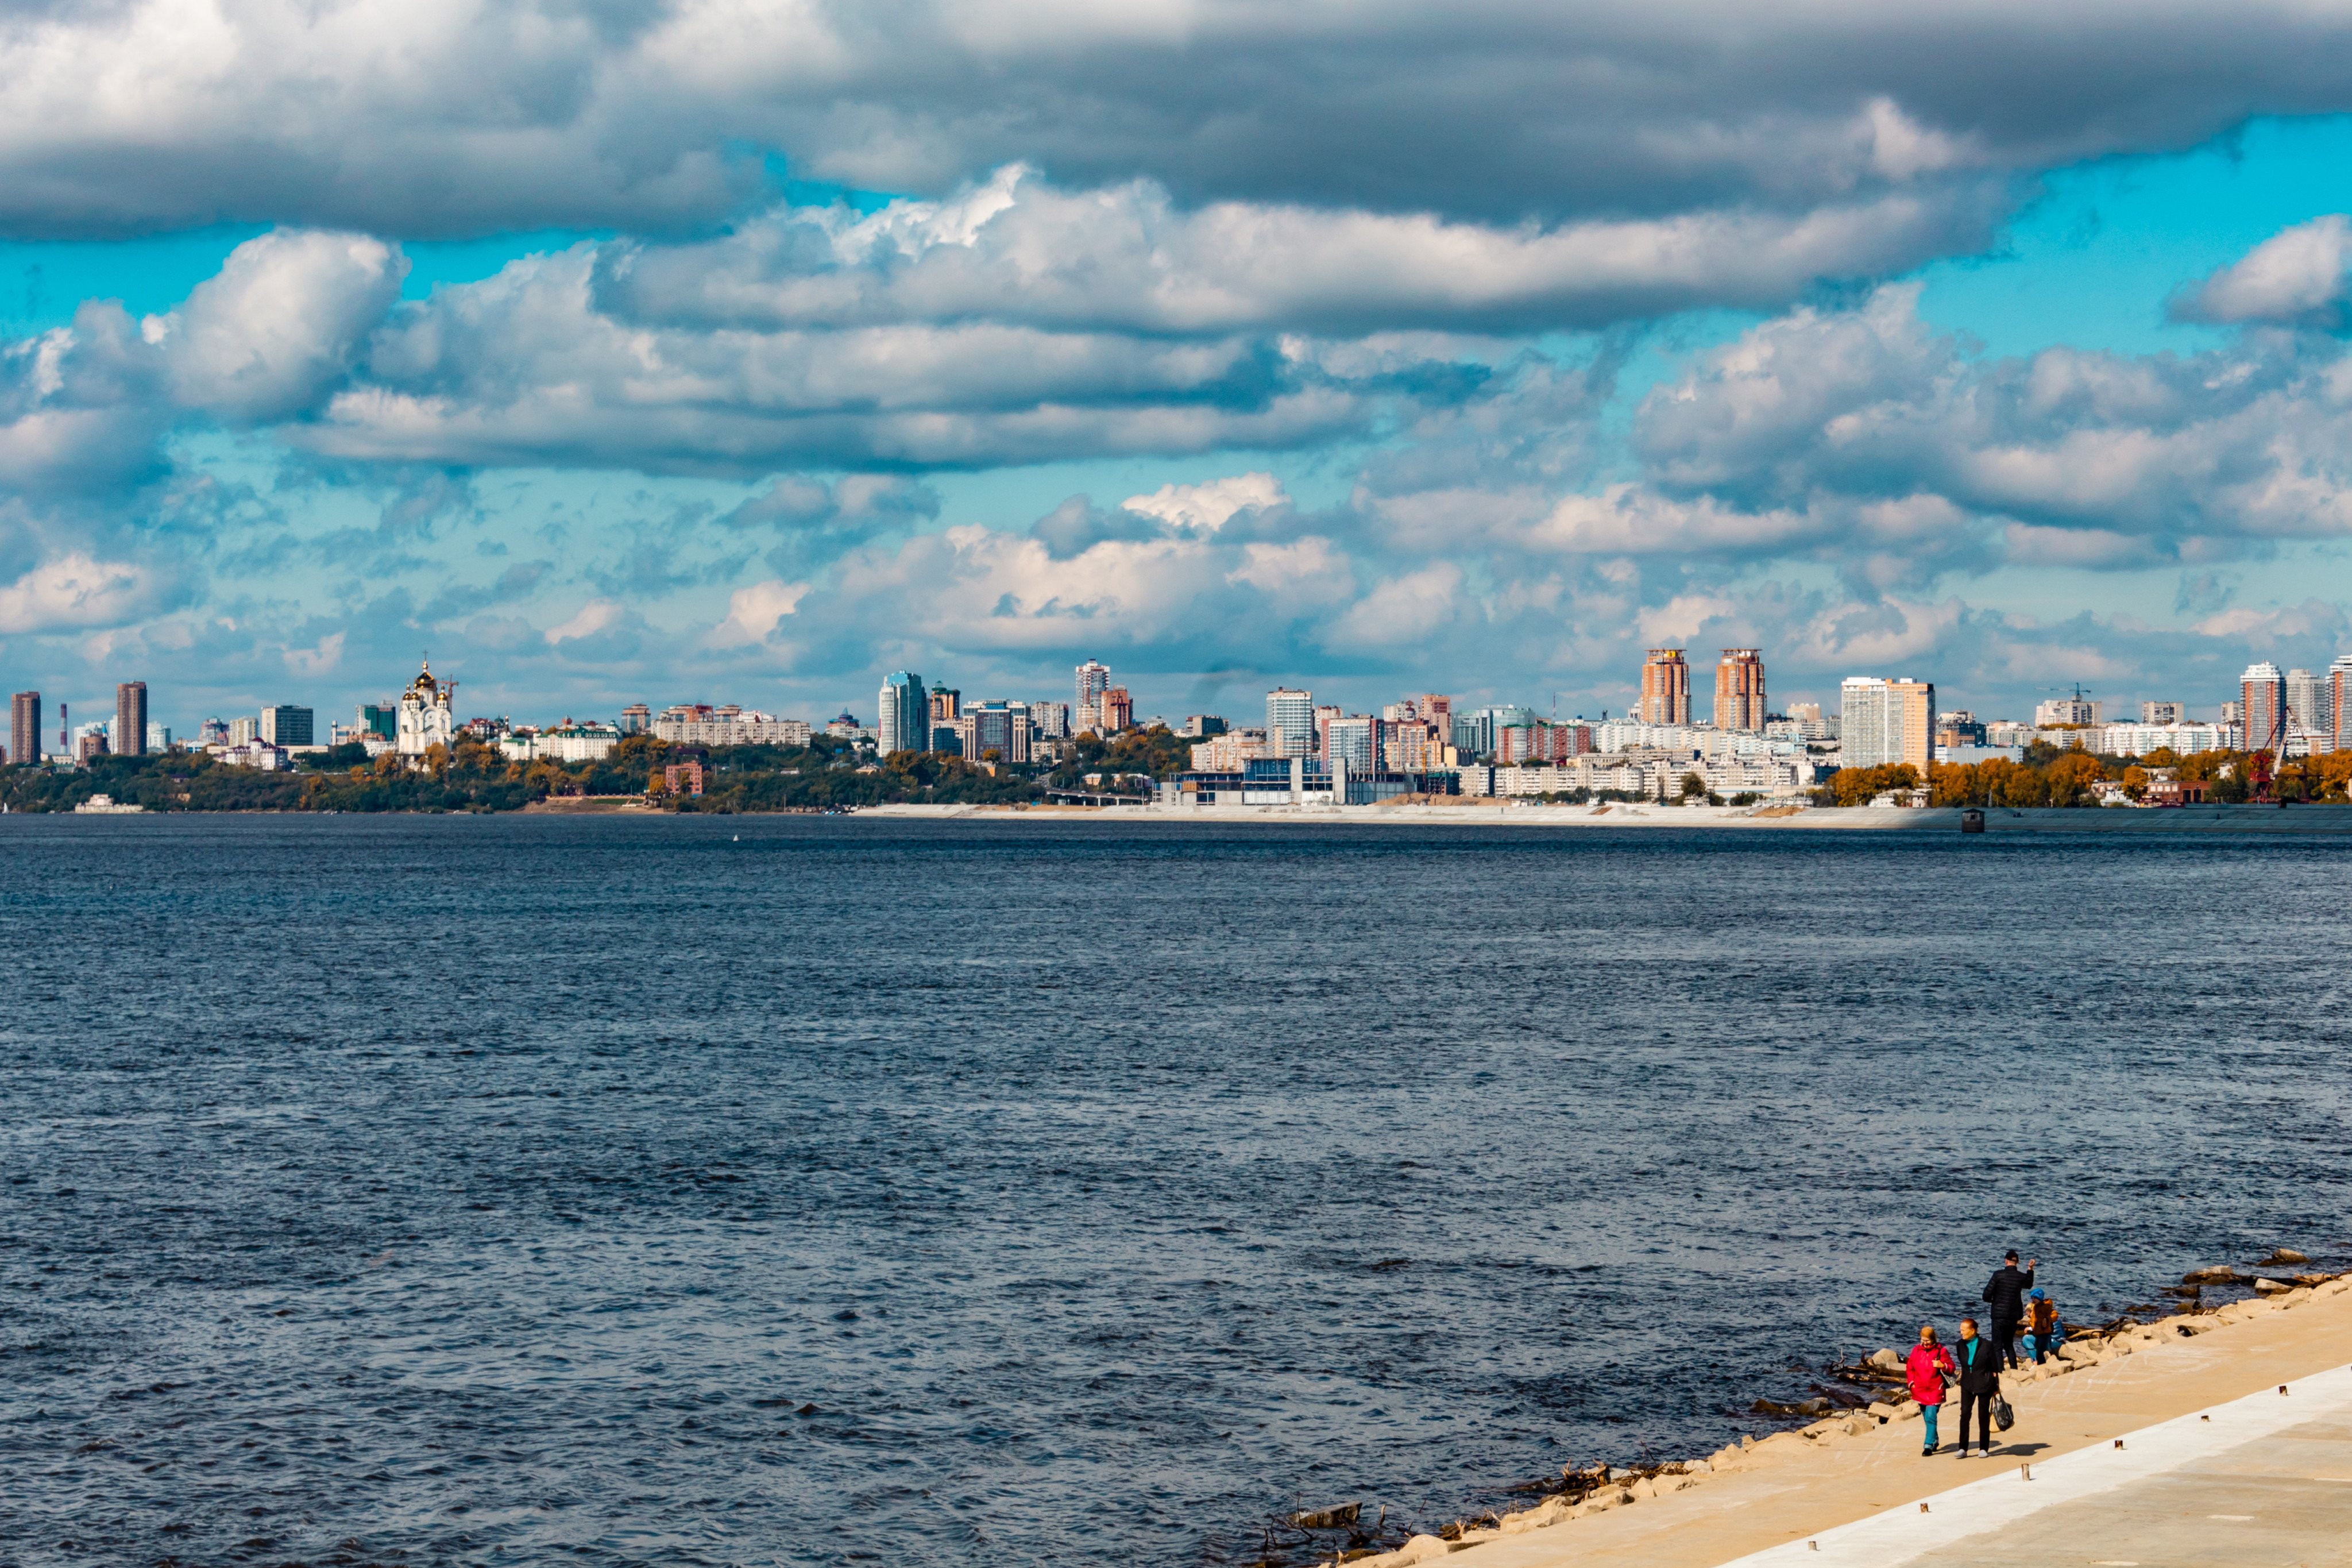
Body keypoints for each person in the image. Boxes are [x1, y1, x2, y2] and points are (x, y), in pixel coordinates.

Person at [1905, 1324, 1957, 1457]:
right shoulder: (1916, 1350)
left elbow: (1952, 1367)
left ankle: (1928, 1446)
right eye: (1922, 1340)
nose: (1925, 1343)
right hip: (1919, 1390)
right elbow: (1910, 1368)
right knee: (1926, 1416)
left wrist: (1942, 1365)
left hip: (1935, 1390)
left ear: (1933, 1339)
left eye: (1927, 1340)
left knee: (1931, 1416)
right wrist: (1911, 1384)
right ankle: (1934, 1440)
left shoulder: (1942, 1351)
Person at [1953, 1317, 2002, 1457]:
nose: (1961, 1332)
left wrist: (1996, 1386)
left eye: (1964, 1330)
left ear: (1973, 1331)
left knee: (1983, 1416)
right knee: (1965, 1415)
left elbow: (1994, 1367)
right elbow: (1963, 1363)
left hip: (1984, 1384)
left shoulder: (1987, 1345)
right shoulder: (1959, 1345)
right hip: (1967, 1385)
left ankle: (1983, 1448)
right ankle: (1963, 1448)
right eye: (1961, 1330)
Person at [1981, 1249, 2037, 1370]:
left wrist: (1994, 1301)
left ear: (2006, 1261)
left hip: (1999, 1315)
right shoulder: (2020, 1277)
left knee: (1997, 1345)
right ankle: (2014, 1369)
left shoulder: (1998, 1275)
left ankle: (2000, 1371)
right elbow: (2029, 1284)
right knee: (2008, 1344)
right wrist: (2030, 1268)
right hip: (2013, 1315)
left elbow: (1986, 1295)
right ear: (2017, 1262)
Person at [2022, 1288, 2065, 1364]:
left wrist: (2047, 1319)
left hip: (2051, 1339)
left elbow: (2054, 1316)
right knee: (2039, 1349)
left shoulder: (2046, 1308)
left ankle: (2038, 1364)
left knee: (2035, 1347)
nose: (2033, 1300)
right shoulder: (2037, 1308)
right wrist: (2031, 1326)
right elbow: (2036, 1324)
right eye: (2032, 1298)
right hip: (2047, 1337)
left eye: (2035, 1298)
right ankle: (2039, 1363)